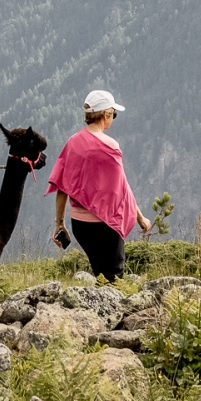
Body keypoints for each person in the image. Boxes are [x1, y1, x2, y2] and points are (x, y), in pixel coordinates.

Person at [49, 89, 141, 282]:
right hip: (106, 224)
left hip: (80, 226)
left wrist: (59, 223)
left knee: (99, 273)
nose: (113, 119)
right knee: (115, 278)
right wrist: (141, 218)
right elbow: (122, 188)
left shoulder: (72, 143)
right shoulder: (110, 147)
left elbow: (62, 186)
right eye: (113, 114)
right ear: (106, 114)